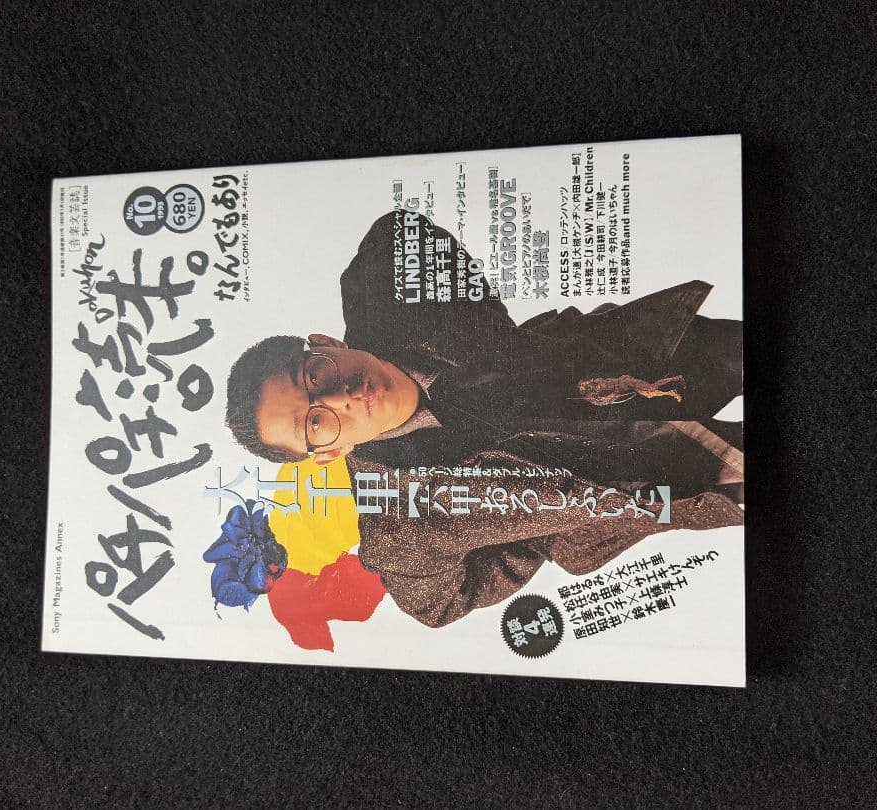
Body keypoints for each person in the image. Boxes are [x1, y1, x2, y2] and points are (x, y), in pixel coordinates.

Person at [225, 210, 744, 627]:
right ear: (329, 453)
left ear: (325, 343)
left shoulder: (389, 305)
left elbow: (395, 233)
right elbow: (438, 607)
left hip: (630, 363)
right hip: (652, 479)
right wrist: (539, 534)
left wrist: (493, 337)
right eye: (315, 424)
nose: (339, 399)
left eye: (315, 375)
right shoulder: (397, 526)